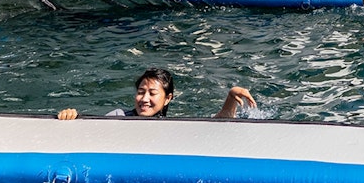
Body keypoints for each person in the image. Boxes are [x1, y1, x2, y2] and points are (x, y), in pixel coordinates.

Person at [56, 67, 255, 120]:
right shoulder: (117, 117)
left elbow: (217, 124)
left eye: (152, 93)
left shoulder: (172, 125)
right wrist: (71, 118)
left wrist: (230, 98)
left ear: (168, 98)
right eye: (141, 92)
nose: (144, 99)